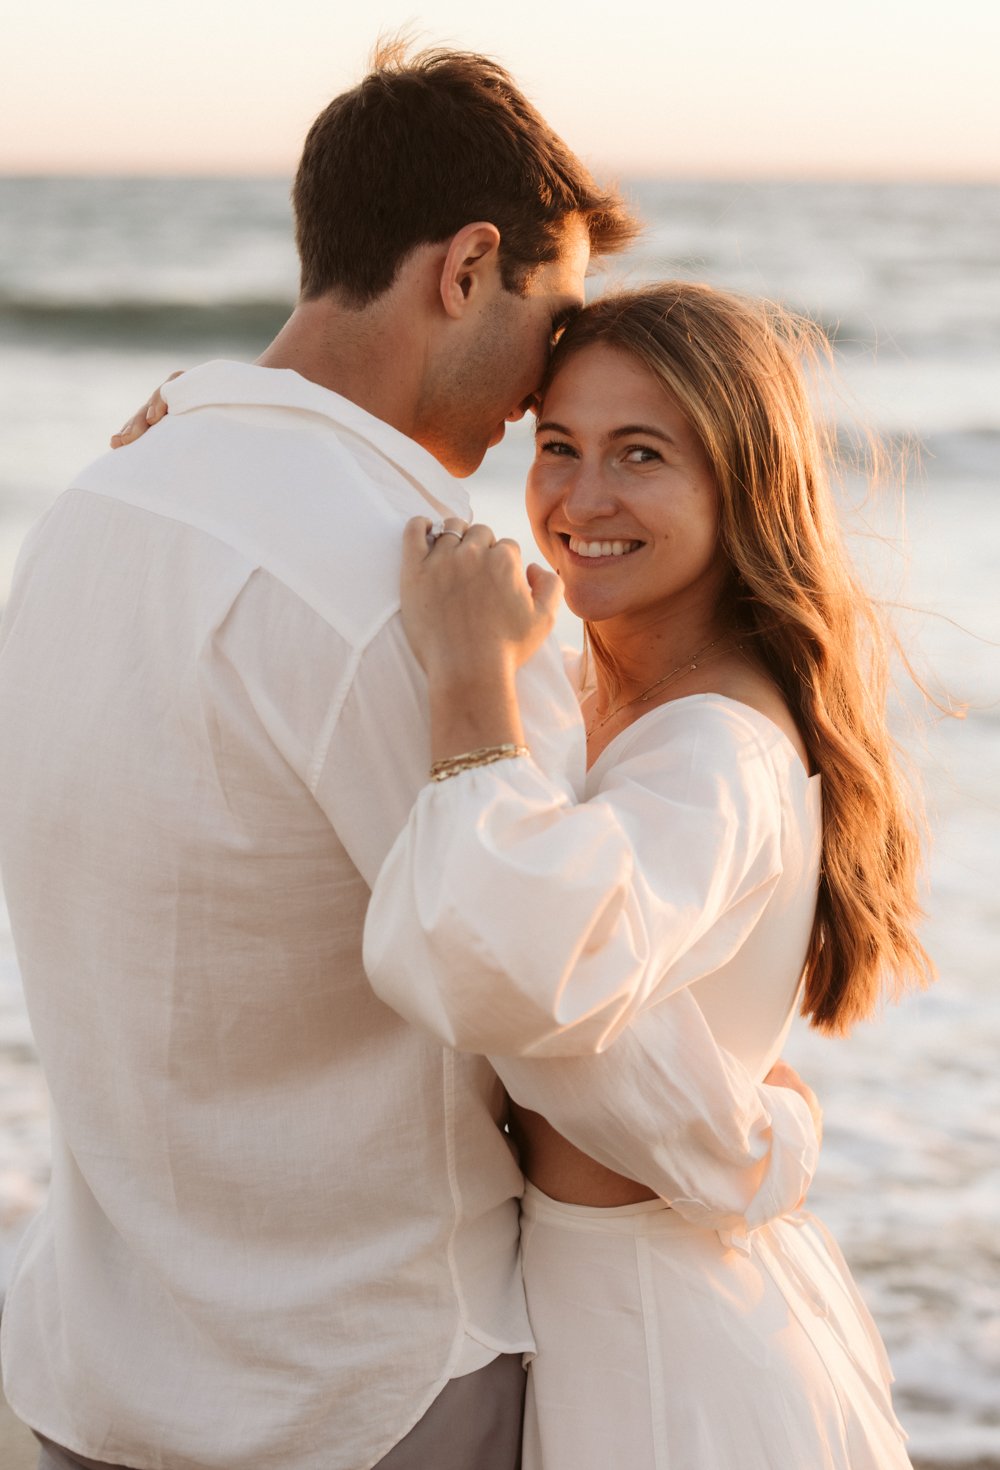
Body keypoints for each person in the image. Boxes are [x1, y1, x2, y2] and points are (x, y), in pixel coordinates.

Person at [0, 45, 820, 1470]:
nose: (535, 393)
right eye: (548, 317)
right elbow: (554, 1012)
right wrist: (767, 1145)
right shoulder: (420, 584)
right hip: (362, 1381)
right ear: (467, 268)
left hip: (91, 1365)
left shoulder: (89, 510)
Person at [363, 282, 932, 1468]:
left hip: (661, 1348)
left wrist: (470, 689)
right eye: (558, 445)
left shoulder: (709, 747)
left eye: (641, 455)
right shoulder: (609, 684)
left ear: (743, 483)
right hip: (616, 1300)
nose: (581, 499)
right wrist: (222, 434)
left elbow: (513, 978)